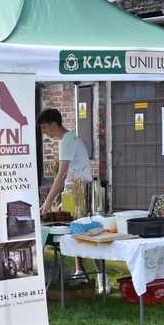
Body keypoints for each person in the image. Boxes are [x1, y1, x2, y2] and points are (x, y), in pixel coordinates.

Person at [37, 109, 109, 293]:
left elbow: (61, 175)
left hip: (79, 192)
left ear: (54, 124)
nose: (45, 133)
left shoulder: (66, 141)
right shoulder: (70, 139)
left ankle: (102, 278)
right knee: (79, 233)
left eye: (45, 128)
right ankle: (80, 273)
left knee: (89, 235)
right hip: (76, 191)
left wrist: (47, 203)